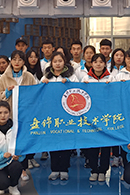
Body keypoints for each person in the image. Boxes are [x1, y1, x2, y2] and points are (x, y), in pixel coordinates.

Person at [0, 49, 37, 181]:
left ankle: (23, 169)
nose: (17, 62)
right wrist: (6, 93)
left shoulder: (29, 76)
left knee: (22, 143)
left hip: (24, 117)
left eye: (20, 59)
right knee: (9, 143)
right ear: (10, 61)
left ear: (24, 62)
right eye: (14, 59)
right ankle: (7, 168)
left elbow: (36, 94)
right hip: (9, 116)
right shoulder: (4, 77)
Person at [41, 51, 79, 180]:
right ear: (51, 63)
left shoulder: (72, 76)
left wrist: (69, 83)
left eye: (60, 61)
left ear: (64, 62)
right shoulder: (46, 76)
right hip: (51, 115)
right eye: (55, 61)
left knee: (66, 142)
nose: (57, 64)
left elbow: (78, 90)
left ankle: (64, 169)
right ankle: (54, 169)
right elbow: (38, 93)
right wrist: (42, 84)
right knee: (53, 142)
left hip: (67, 114)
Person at [82, 53, 112, 182]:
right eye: (95, 62)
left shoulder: (111, 78)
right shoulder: (85, 78)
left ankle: (103, 171)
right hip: (91, 117)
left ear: (105, 64)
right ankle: (94, 170)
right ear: (91, 64)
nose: (98, 64)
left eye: (101, 61)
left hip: (106, 117)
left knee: (105, 145)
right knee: (92, 145)